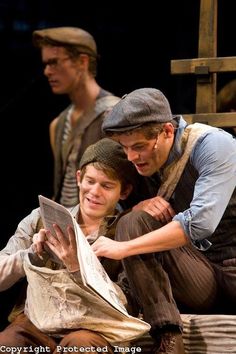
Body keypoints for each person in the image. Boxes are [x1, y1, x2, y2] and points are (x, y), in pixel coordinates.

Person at [91, 88, 236, 354]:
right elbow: (100, 204)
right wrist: (138, 207)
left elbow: (200, 223)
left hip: (231, 271)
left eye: (139, 147)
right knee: (131, 221)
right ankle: (168, 338)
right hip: (198, 276)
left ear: (167, 131)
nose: (132, 157)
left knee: (130, 235)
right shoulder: (140, 160)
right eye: (125, 148)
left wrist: (125, 248)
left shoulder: (214, 145)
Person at [0, 138, 149, 353]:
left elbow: (126, 302)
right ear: (79, 178)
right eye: (90, 181)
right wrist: (30, 256)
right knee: (7, 343)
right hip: (39, 321)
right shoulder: (40, 219)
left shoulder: (126, 230)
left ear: (124, 191)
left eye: (107, 186)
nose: (95, 192)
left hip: (96, 327)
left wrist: (79, 268)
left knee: (80, 346)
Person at [32, 26, 120, 207]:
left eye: (54, 62)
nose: (47, 71)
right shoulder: (58, 124)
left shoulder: (115, 115)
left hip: (101, 225)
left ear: (82, 61)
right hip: (64, 221)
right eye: (46, 64)